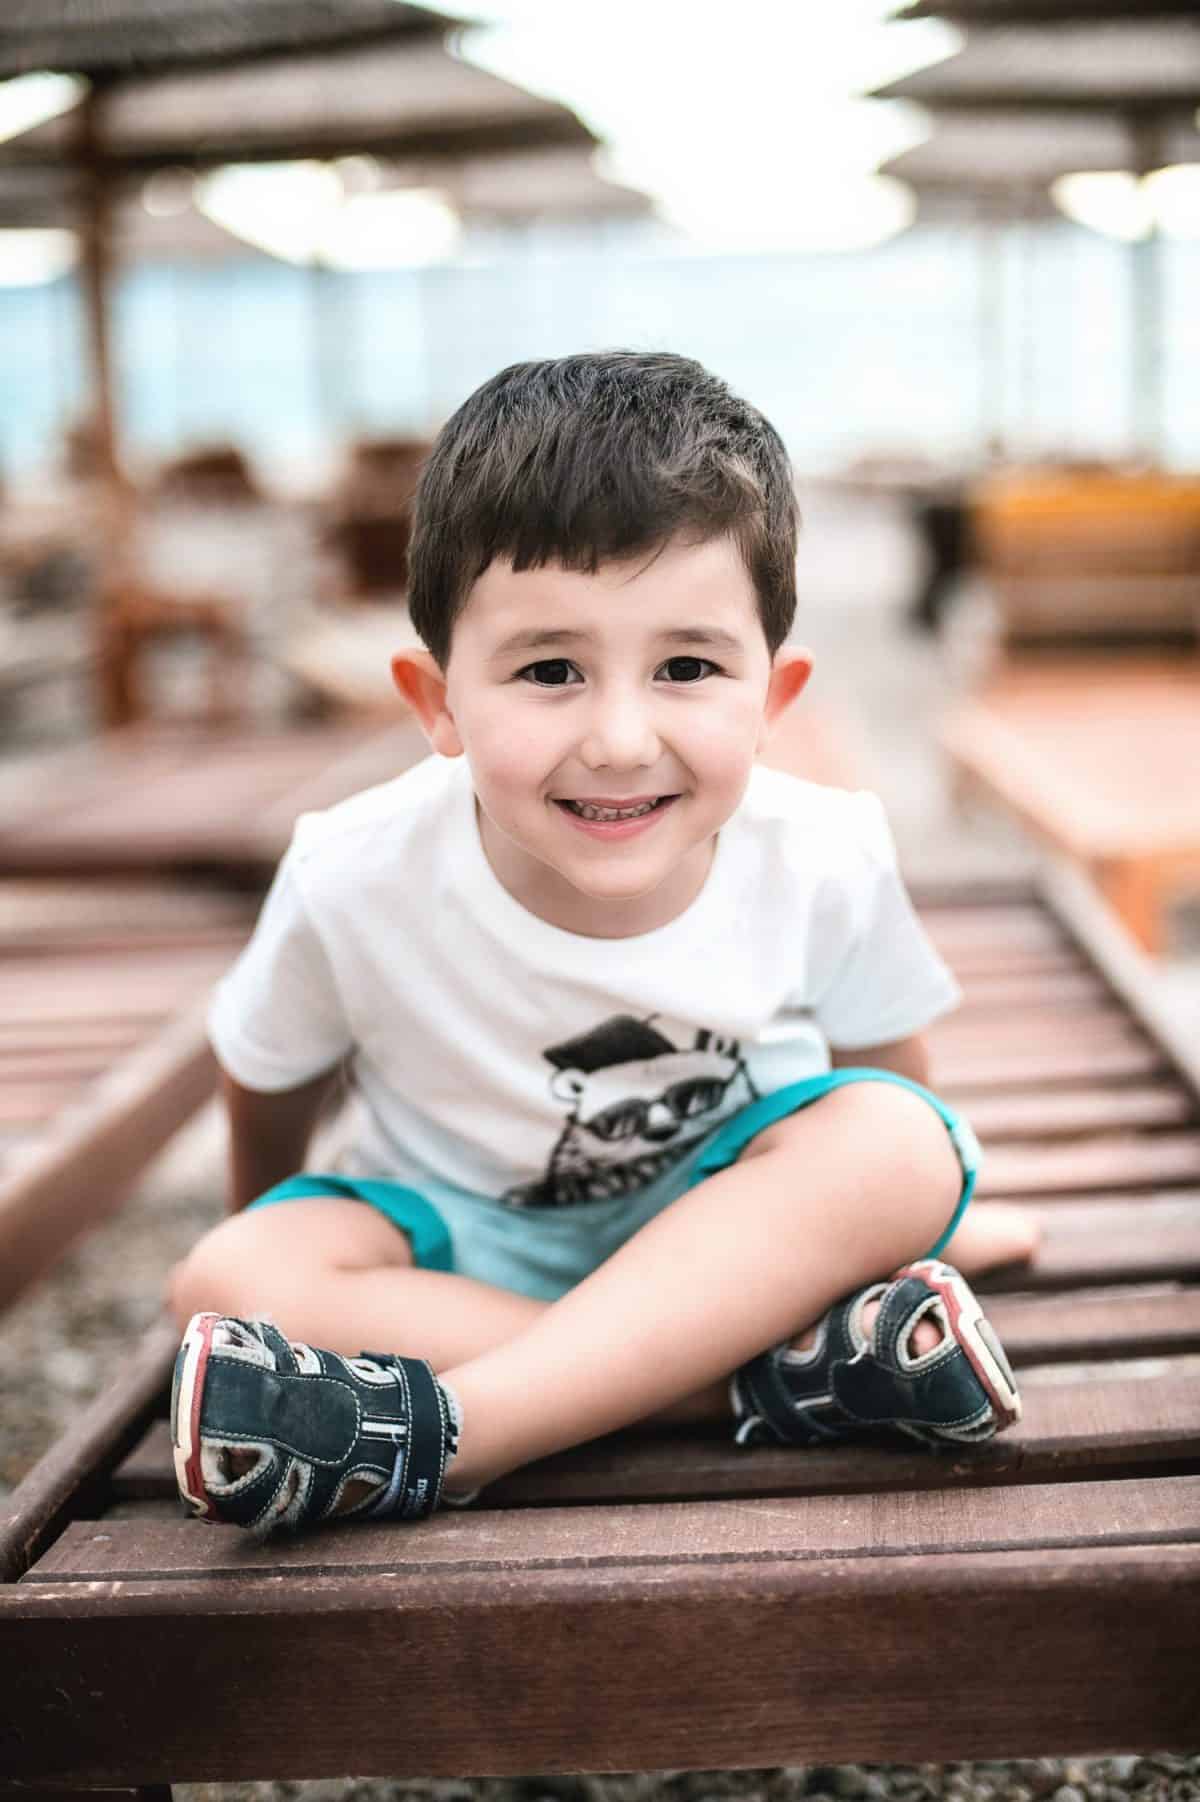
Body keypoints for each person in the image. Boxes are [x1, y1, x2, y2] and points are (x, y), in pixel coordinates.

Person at [168, 351, 1040, 1536]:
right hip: (461, 1242)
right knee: (222, 1276)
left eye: (686, 667)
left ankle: (450, 1430)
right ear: (437, 702)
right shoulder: (353, 870)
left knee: (897, 1139)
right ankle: (772, 1381)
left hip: (734, 1228)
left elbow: (886, 1073)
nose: (622, 738)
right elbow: (263, 1086)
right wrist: (284, 1271)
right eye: (549, 670)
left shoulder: (823, 848)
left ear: (774, 698)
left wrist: (929, 1209)